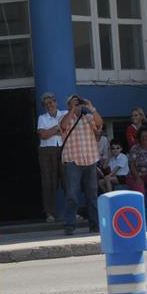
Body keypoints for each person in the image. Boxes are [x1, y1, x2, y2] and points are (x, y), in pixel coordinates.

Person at [60, 94, 102, 235]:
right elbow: (63, 126)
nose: (77, 105)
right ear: (69, 105)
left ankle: (95, 225)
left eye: (78, 103)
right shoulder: (65, 118)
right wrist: (72, 110)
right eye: (74, 103)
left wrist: (91, 107)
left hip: (90, 159)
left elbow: (99, 123)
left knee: (92, 195)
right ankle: (69, 225)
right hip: (73, 160)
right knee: (72, 195)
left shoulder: (88, 118)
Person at [37, 92, 67, 223]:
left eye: (51, 102)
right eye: (46, 103)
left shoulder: (65, 114)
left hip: (64, 149)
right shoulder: (42, 118)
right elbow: (43, 135)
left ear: (56, 102)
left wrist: (53, 131)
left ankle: (73, 211)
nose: (49, 105)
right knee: (48, 182)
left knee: (68, 180)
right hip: (46, 151)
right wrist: (57, 128)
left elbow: (67, 131)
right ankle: (49, 213)